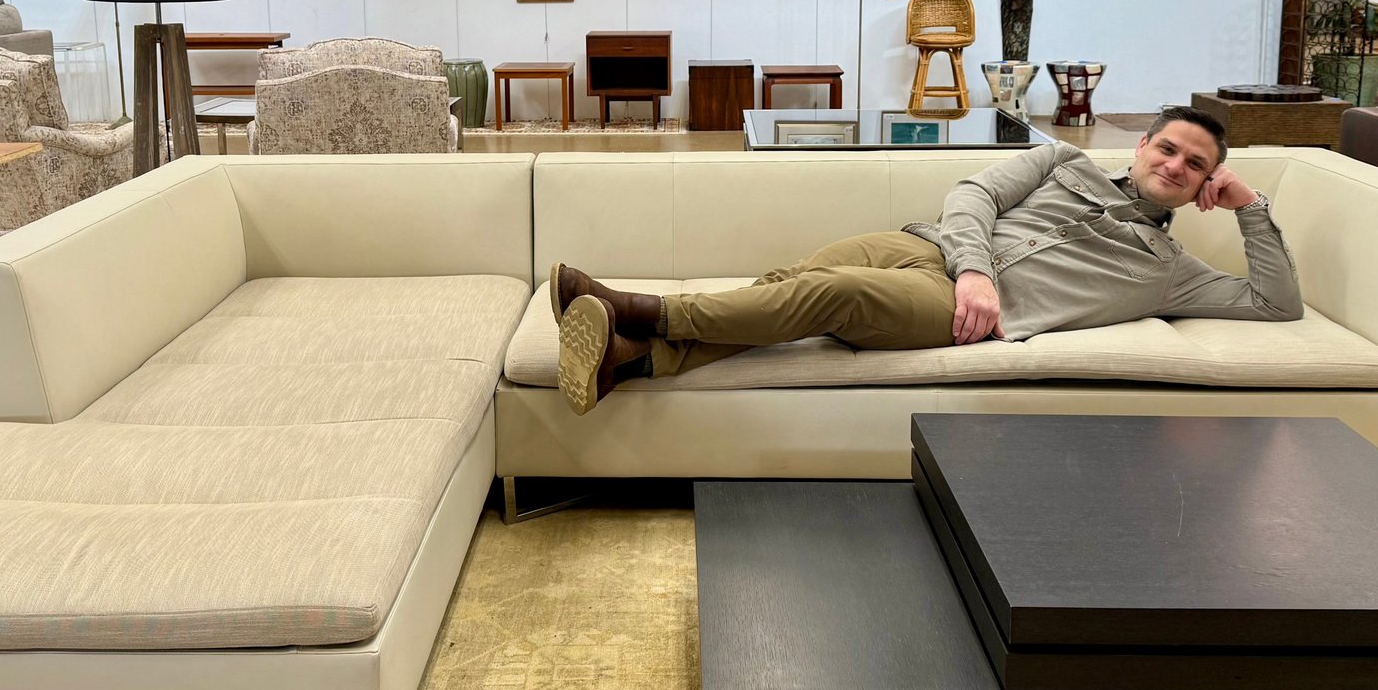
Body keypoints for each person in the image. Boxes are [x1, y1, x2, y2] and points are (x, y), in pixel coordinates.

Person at [552, 105, 1303, 415]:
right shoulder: (1061, 159)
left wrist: (1252, 206)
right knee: (791, 281)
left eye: (1195, 165)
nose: (1174, 166)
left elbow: (1276, 303)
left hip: (956, 315)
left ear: (1206, 183)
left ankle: (638, 310)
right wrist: (974, 267)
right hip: (930, 248)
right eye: (1167, 148)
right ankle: (633, 361)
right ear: (1141, 146)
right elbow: (975, 193)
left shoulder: (1169, 270)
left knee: (834, 293)